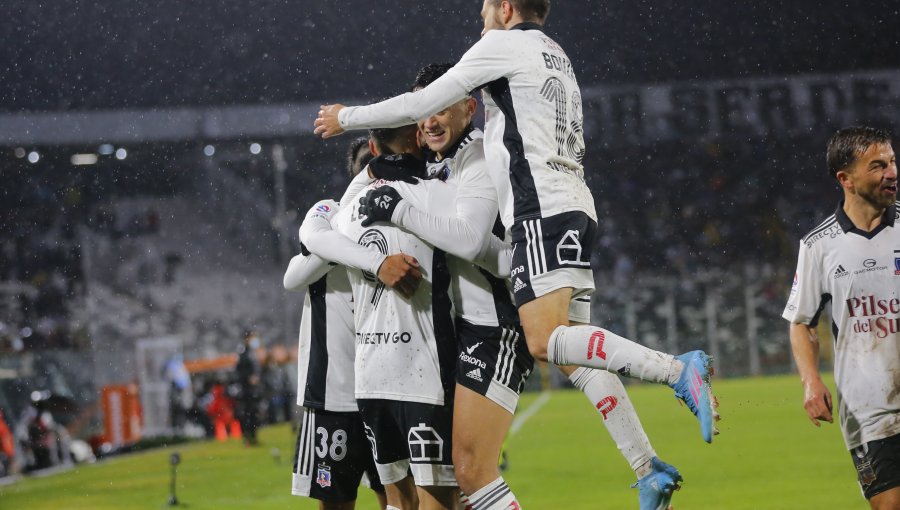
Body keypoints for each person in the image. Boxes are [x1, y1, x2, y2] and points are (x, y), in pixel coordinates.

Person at [313, 0, 718, 447]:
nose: (480, 18)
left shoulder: (504, 45)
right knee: (576, 349)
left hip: (539, 208)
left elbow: (425, 100)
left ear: (505, 8)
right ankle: (645, 466)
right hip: (572, 203)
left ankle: (677, 370)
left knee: (544, 341)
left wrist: (346, 117)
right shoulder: (553, 52)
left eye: (485, 8)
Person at [359, 62, 681, 509]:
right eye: (423, 111)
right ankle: (648, 466)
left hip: (495, 323)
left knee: (471, 471)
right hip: (461, 329)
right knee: (464, 474)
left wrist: (395, 208)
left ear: (469, 109)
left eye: (440, 109)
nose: (429, 121)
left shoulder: (479, 154)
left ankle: (676, 375)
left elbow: (475, 243)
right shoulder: (435, 163)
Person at [783, 126, 900, 509]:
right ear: (845, 179)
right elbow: (801, 321)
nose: (892, 172)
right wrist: (810, 382)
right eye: (878, 165)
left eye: (893, 161)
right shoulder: (819, 246)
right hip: (868, 404)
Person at [281, 139, 393, 510]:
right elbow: (293, 277)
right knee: (335, 502)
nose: (375, 175)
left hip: (390, 388)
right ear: (355, 174)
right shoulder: (328, 213)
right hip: (334, 391)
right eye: (367, 166)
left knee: (399, 499)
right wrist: (343, 239)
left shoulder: (401, 218)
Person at [235, 330, 263, 446]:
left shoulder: (252, 353)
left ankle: (253, 438)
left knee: (253, 414)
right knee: (247, 414)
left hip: (253, 390)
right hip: (246, 390)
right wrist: (248, 378)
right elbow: (239, 371)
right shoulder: (243, 353)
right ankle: (247, 438)